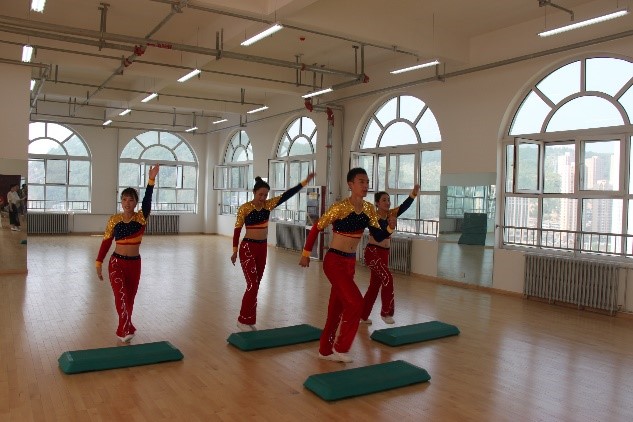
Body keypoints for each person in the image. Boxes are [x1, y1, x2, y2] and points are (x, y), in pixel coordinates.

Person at [299, 168, 395, 363]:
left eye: (367, 182)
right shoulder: (340, 207)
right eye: (361, 181)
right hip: (334, 261)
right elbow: (317, 226)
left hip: (349, 263)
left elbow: (378, 236)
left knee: (336, 308)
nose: (365, 185)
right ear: (350, 184)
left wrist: (390, 227)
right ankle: (341, 347)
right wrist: (306, 254)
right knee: (356, 303)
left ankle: (325, 350)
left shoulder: (368, 209)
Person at [232, 172, 315, 332]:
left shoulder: (268, 205)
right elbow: (237, 230)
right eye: (260, 194)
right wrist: (235, 250)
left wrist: (304, 182)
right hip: (248, 248)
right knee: (252, 285)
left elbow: (287, 194)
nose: (263, 198)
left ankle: (249, 319)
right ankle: (242, 320)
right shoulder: (245, 208)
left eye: (265, 195)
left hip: (262, 248)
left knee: (256, 285)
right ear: (254, 193)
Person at [95, 164, 160, 343]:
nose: (127, 203)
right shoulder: (114, 220)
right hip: (116, 263)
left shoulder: (141, 218)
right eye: (124, 200)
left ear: (135, 203)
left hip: (134, 264)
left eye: (131, 200)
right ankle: (124, 329)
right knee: (121, 296)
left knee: (129, 298)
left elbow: (148, 199)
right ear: (121, 202)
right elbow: (106, 242)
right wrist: (99, 262)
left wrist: (151, 179)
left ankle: (127, 325)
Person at [360, 184, 419, 325]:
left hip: (384, 253)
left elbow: (404, 206)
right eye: (384, 200)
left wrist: (413, 194)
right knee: (388, 278)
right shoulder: (372, 217)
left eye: (388, 200)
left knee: (374, 286)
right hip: (373, 253)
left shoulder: (391, 214)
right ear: (377, 203)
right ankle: (386, 313)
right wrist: (390, 228)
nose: (388, 202)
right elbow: (379, 237)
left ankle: (362, 315)